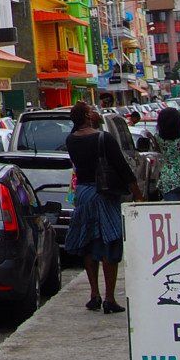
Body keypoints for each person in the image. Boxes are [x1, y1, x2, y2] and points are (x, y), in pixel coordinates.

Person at [64, 102, 141, 313]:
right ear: (88, 116)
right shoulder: (103, 138)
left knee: (88, 243)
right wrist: (138, 195)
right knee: (110, 242)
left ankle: (94, 294)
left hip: (83, 194)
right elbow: (122, 168)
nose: (97, 112)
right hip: (104, 194)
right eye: (92, 110)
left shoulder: (71, 140)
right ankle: (109, 297)